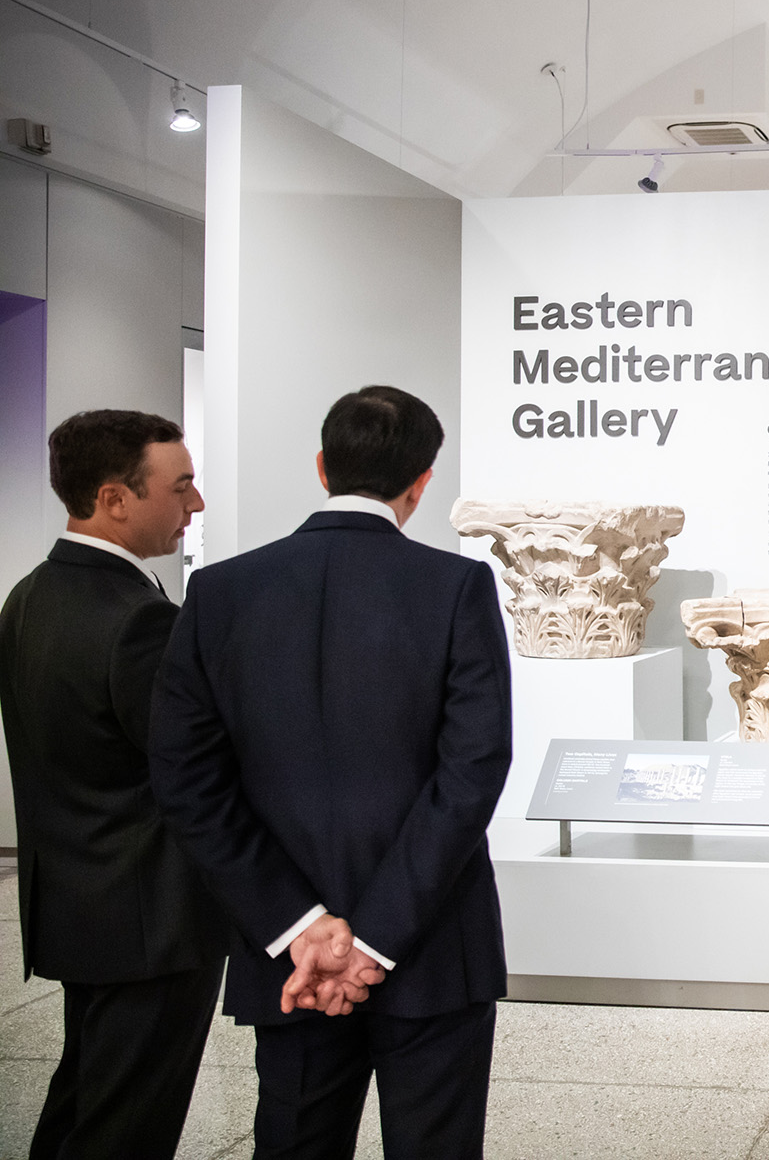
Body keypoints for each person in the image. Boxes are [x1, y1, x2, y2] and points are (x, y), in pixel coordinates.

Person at [149, 386, 513, 1159]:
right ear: (422, 480)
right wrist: (372, 938)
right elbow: (472, 773)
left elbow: (187, 779)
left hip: (286, 955)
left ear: (321, 466)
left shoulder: (218, 593)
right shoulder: (455, 588)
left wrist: (302, 927)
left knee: (295, 1140)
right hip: (433, 945)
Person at [0, 410, 227, 1159]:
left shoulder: (26, 597)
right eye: (182, 485)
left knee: (83, 1104)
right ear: (115, 499)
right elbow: (193, 769)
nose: (195, 504)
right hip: (150, 925)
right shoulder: (140, 621)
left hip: (72, 909)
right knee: (127, 1128)